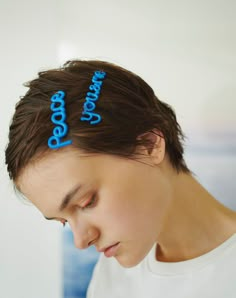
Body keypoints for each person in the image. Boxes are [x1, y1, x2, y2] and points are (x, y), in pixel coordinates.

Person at [5, 59, 236, 298]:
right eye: (64, 221)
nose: (81, 242)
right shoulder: (111, 278)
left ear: (149, 145)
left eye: (87, 202)